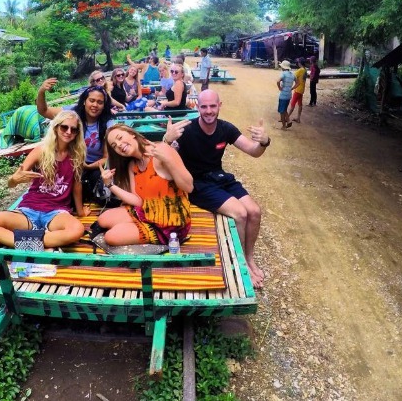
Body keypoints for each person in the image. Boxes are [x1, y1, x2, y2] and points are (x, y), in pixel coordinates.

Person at [163, 90, 270, 288]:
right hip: (197, 183)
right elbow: (165, 157)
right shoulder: (187, 129)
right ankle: (240, 264)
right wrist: (167, 140)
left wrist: (264, 142)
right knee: (240, 213)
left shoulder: (225, 129)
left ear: (220, 105)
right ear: (197, 107)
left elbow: (253, 151)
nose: (209, 111)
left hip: (219, 177)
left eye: (212, 106)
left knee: (254, 211)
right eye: (204, 106)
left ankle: (249, 258)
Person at [0, 110, 89, 249]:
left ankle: (25, 242)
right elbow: (12, 182)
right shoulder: (40, 150)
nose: (68, 132)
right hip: (28, 210)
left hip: (56, 212)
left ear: (78, 133)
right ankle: (36, 243)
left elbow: (77, 185)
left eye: (74, 129)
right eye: (64, 127)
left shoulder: (76, 155)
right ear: (56, 127)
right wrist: (14, 179)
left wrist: (80, 211)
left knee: (76, 230)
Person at [96, 125, 193, 246]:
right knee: (103, 219)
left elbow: (189, 187)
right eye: (114, 146)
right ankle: (132, 227)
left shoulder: (161, 150)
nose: (119, 145)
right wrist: (109, 184)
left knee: (111, 237)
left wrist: (168, 160)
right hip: (147, 211)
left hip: (170, 224)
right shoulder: (133, 165)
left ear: (131, 133)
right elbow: (137, 201)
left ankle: (135, 230)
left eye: (120, 138)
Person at [37, 79, 114, 201]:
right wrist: (41, 91)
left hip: (94, 167)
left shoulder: (107, 124)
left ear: (104, 106)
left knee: (101, 191)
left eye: (100, 102)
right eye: (92, 100)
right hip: (69, 163)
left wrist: (87, 167)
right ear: (84, 101)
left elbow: (106, 158)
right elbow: (44, 111)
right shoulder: (72, 114)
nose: (95, 105)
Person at [277, 60, 298, 130]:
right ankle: (288, 121)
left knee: (281, 111)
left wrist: (279, 88)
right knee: (285, 109)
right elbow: (298, 83)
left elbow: (278, 81)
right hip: (289, 95)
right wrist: (292, 88)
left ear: (283, 67)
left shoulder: (283, 74)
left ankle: (283, 126)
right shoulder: (292, 74)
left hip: (283, 95)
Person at [287, 57, 307, 123]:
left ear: (300, 63)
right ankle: (298, 118)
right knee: (300, 104)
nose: (297, 63)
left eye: (298, 62)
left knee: (292, 104)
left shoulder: (300, 70)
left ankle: (287, 117)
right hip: (301, 89)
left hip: (298, 89)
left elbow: (293, 75)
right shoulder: (304, 69)